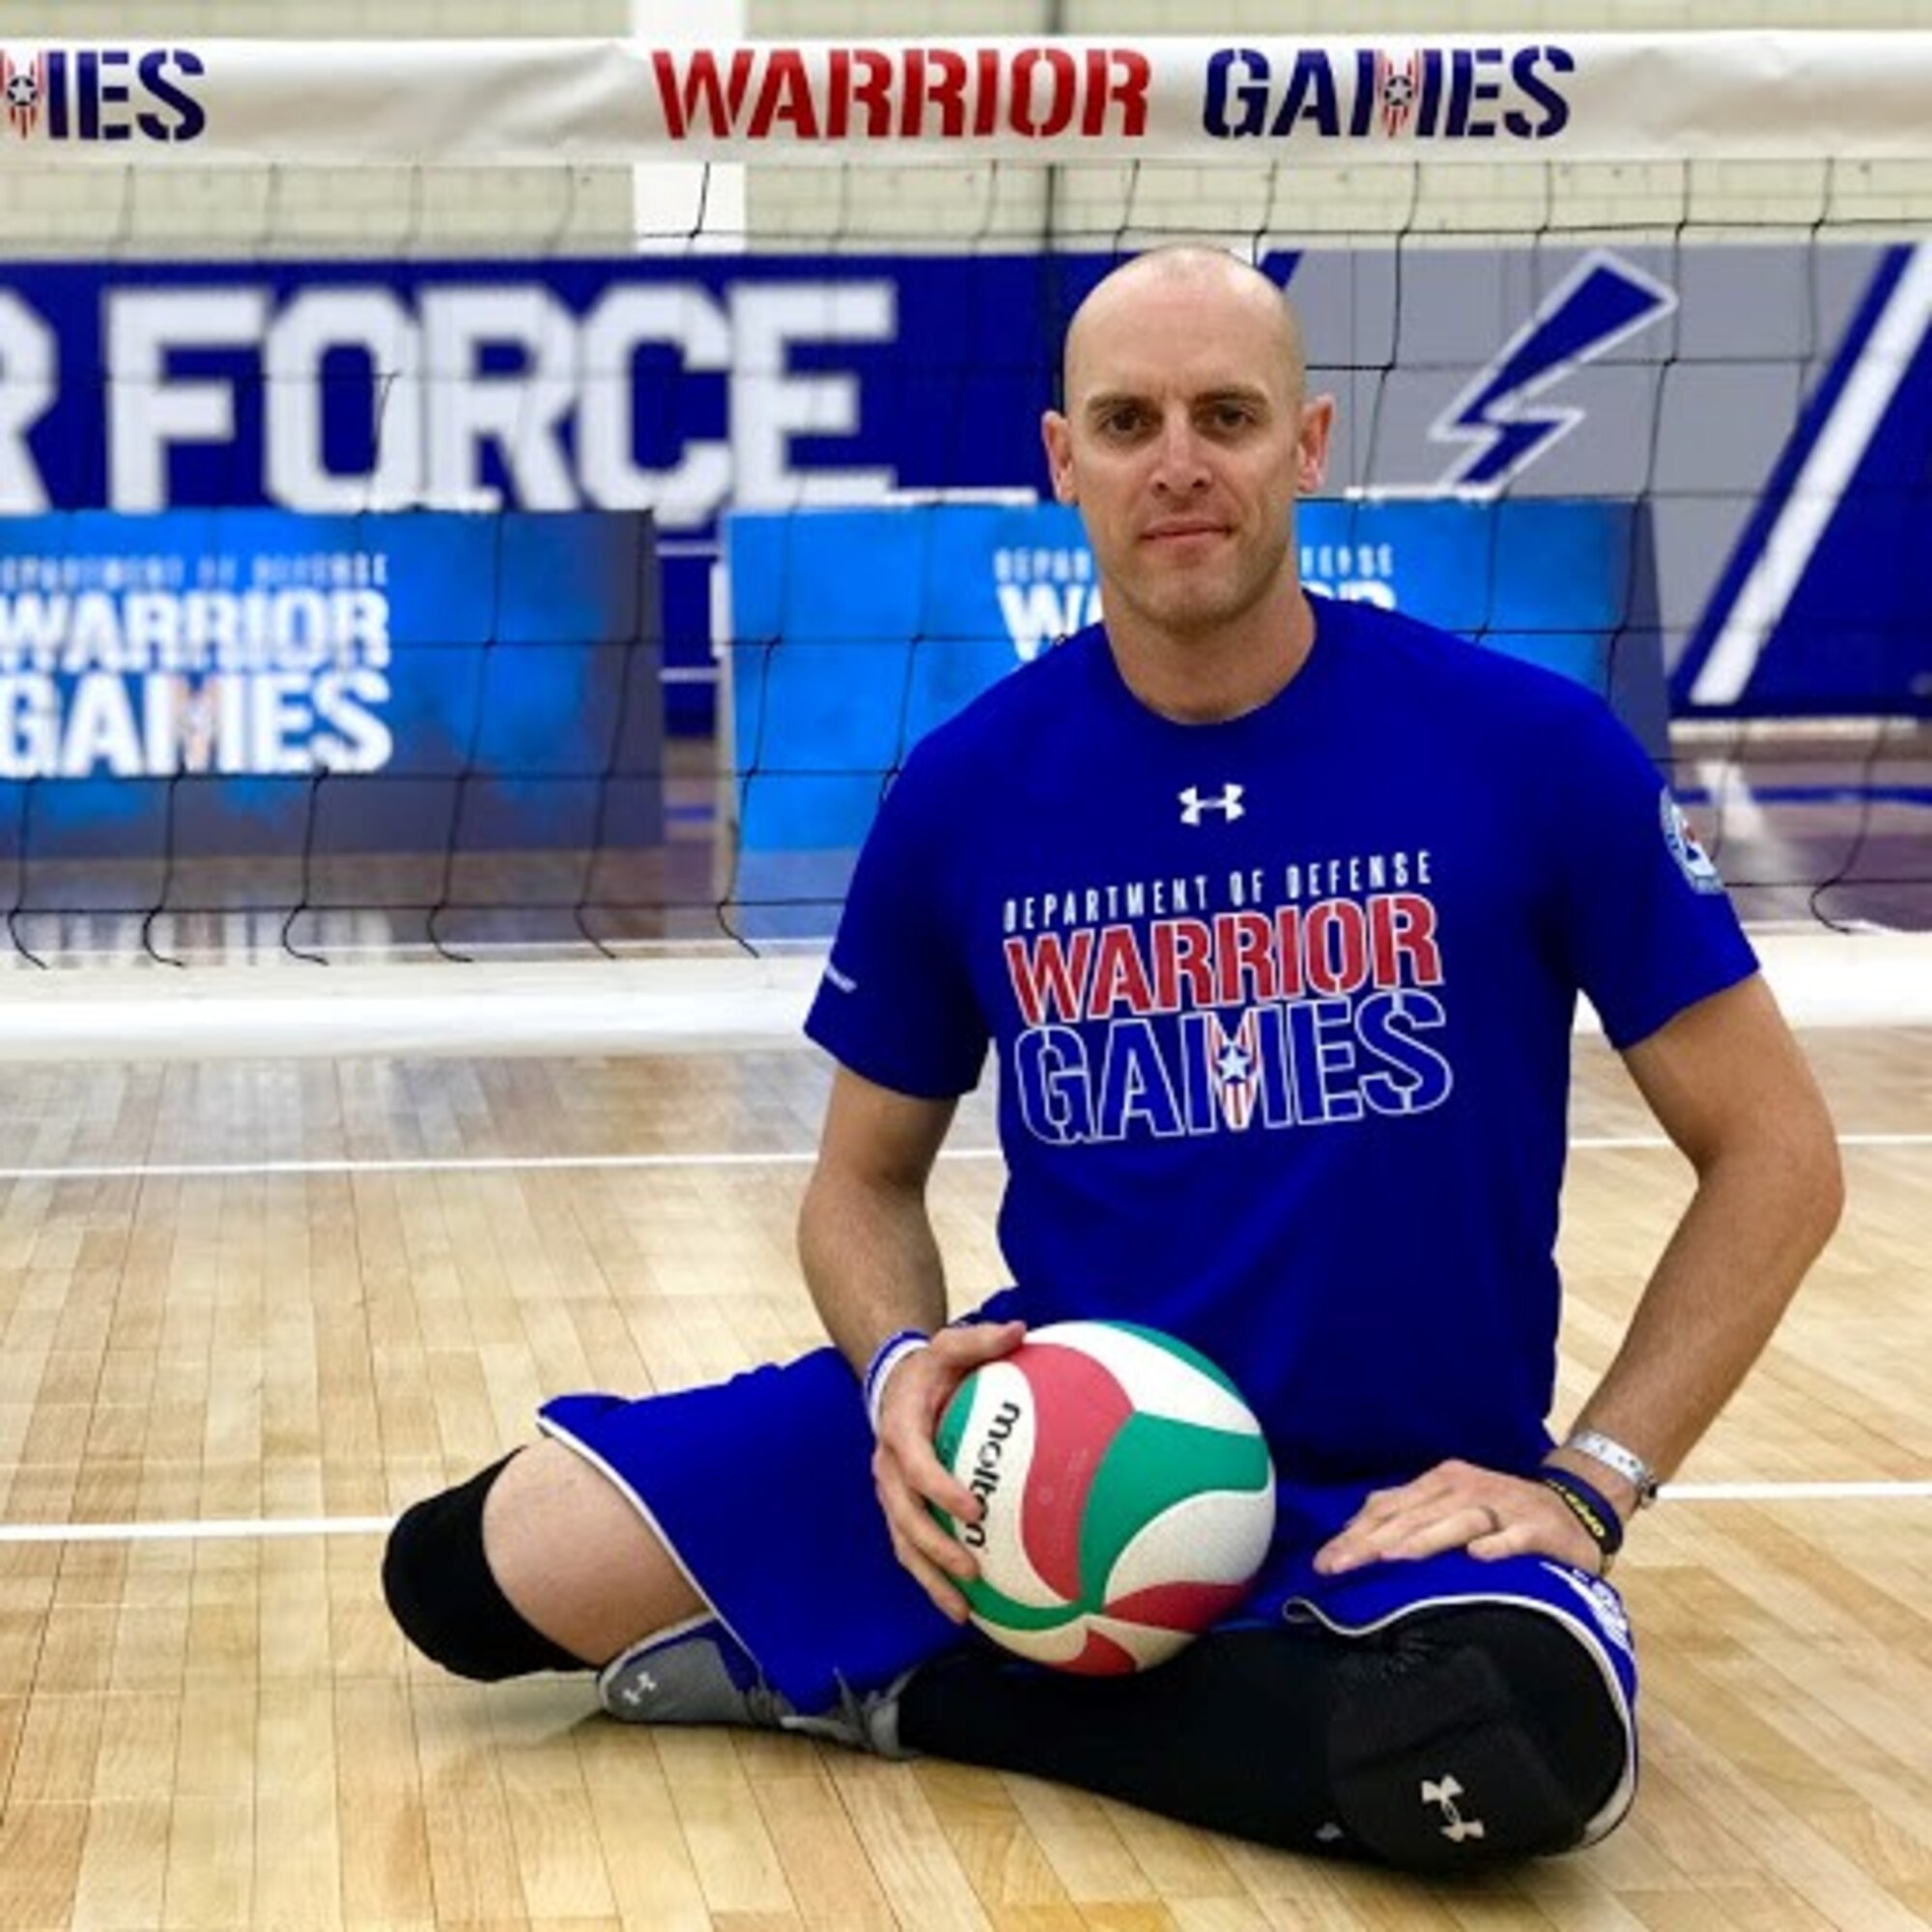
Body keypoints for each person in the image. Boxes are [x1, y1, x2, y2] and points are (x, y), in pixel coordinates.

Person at [383, 245, 1842, 1872]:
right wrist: (892, 1377)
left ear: (1310, 442)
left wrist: (1588, 1485)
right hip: (1042, 1453)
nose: (1180, 461)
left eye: (1227, 414)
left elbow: (1780, 1155)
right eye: (1129, 420)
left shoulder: (1529, 753)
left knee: (1518, 1748)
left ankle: (925, 1702)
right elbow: (860, 1186)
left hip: (1392, 1496)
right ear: (1061, 457)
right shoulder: (969, 790)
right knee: (467, 1575)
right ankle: (1173, 1695)